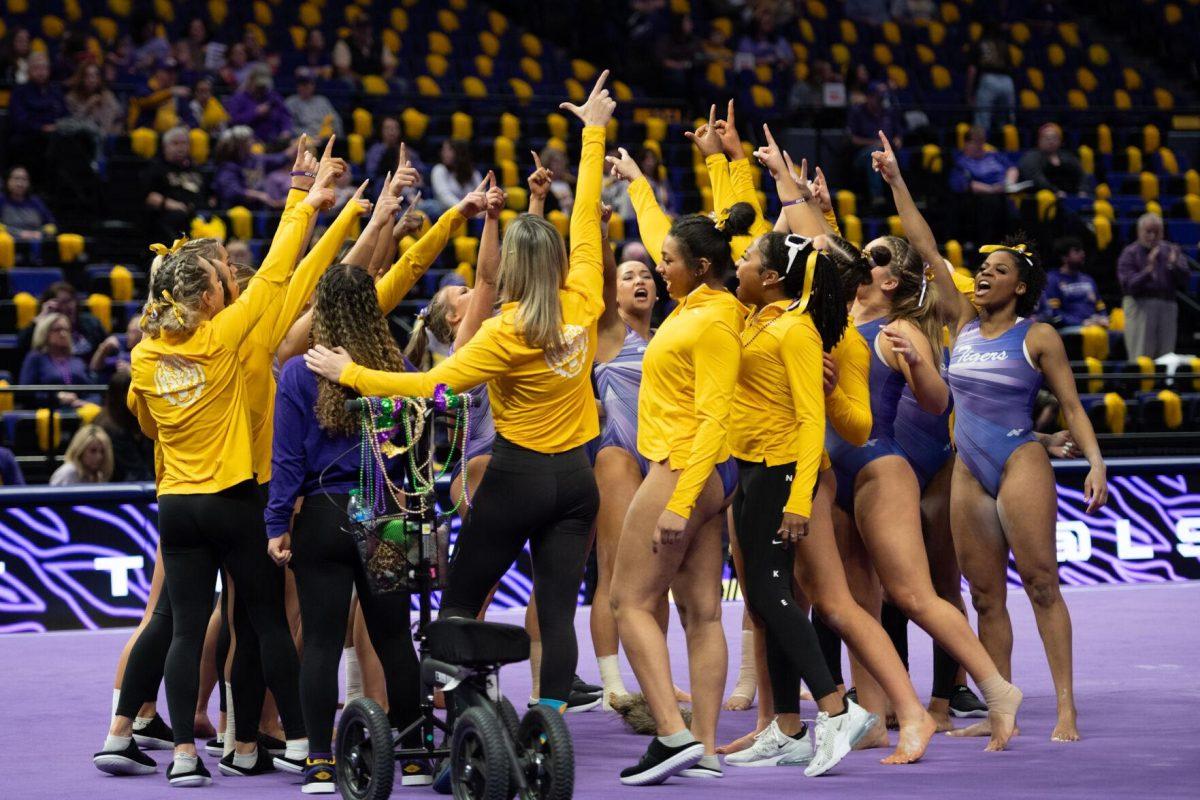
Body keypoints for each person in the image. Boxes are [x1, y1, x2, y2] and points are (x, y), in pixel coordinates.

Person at [307, 73, 616, 720]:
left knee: (456, 603)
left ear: (508, 272)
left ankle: (465, 712)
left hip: (517, 477)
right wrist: (592, 134)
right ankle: (547, 728)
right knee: (558, 614)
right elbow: (585, 215)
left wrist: (350, 371)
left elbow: (425, 387)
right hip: (576, 479)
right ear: (557, 262)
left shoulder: (505, 334)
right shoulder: (583, 300)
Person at [93, 162, 335, 787]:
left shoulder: (142, 357)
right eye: (221, 281)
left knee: (180, 626)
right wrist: (300, 198)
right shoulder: (223, 338)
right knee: (265, 620)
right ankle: (306, 746)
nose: (230, 285)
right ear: (207, 299)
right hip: (232, 499)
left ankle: (180, 754)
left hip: (176, 505)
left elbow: (145, 426)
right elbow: (280, 270)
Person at [878, 130, 1107, 743]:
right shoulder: (959, 321)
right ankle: (1000, 707)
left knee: (1039, 582)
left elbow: (1074, 407)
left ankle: (1065, 708)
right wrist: (897, 180)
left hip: (1019, 459)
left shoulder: (1039, 337)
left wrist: (1094, 462)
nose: (983, 274)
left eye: (997, 270)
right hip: (966, 469)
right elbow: (925, 246)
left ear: (1020, 287)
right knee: (982, 597)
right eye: (982, 267)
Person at [601, 112, 752, 781]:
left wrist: (677, 501)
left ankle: (671, 733)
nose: (658, 267)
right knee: (698, 612)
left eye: (666, 264)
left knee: (626, 602)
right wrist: (640, 184)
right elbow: (681, 235)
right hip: (704, 476)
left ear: (700, 268)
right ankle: (708, 750)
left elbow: (718, 418)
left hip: (685, 469)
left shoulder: (714, 321)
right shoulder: (696, 304)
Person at [266, 263, 427, 794]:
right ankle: (415, 755)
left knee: (321, 643)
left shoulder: (295, 373)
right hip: (383, 513)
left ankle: (318, 761)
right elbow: (413, 451)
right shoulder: (394, 367)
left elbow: (287, 461)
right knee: (394, 640)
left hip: (322, 515)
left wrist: (276, 523)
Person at [1117, 214, 1191, 359]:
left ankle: (1163, 382)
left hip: (1167, 304)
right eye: (1148, 232)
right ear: (1139, 232)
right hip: (1140, 305)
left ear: (1162, 233)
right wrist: (1148, 270)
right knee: (1141, 353)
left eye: (1156, 232)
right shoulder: (1129, 253)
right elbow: (1128, 285)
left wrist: (1173, 265)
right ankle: (1141, 382)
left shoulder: (1171, 250)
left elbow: (1185, 279)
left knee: (1166, 354)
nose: (1152, 236)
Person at [949, 126, 1019, 247]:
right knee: (991, 203)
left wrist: (1009, 183)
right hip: (979, 202)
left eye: (982, 141)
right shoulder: (961, 162)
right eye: (975, 142)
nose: (979, 145)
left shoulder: (993, 155)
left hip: (1003, 194)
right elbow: (966, 184)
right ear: (966, 143)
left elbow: (1012, 168)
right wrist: (991, 189)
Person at [142, 127, 211, 243]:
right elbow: (150, 197)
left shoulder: (195, 169)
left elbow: (208, 195)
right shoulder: (156, 168)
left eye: (184, 143)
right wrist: (172, 204)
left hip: (197, 214)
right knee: (178, 217)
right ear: (165, 147)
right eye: (175, 143)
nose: (181, 147)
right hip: (171, 214)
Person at [18, 312, 96, 408]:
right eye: (57, 330)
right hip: (48, 412)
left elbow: (93, 391)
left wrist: (86, 403)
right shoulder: (35, 358)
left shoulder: (77, 360)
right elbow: (25, 392)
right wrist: (55, 397)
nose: (63, 334)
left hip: (80, 411)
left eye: (66, 330)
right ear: (45, 333)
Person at [847, 82, 903, 210]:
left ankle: (903, 196)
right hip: (861, 155)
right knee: (875, 153)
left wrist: (898, 139)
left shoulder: (888, 113)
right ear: (869, 97)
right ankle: (877, 197)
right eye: (878, 98)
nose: (880, 101)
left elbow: (898, 133)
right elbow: (853, 139)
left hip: (888, 152)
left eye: (882, 98)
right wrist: (873, 143)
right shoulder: (857, 112)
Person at [96, 372, 155, 482]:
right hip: (120, 487)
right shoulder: (111, 428)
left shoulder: (140, 419)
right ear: (121, 395)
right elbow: (136, 471)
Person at [1042, 237, 1108, 329]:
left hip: (1094, 325)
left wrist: (1103, 317)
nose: (1082, 254)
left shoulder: (1088, 279)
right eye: (1077, 251)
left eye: (1082, 250)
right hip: (1069, 329)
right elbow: (1054, 313)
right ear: (1064, 257)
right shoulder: (1052, 279)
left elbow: (1100, 306)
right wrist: (1080, 322)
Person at [966, 23, 1016, 133]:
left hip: (989, 79)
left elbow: (972, 70)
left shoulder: (979, 43)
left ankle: (981, 147)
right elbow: (1012, 67)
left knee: (982, 119)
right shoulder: (1003, 45)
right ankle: (1007, 145)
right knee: (1006, 120)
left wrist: (969, 93)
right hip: (1007, 81)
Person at [225, 65, 291, 145]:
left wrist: (285, 130)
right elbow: (233, 121)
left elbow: (285, 115)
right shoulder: (238, 99)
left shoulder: (273, 96)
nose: (262, 89)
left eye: (264, 86)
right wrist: (255, 113)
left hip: (274, 142)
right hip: (249, 143)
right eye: (259, 86)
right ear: (250, 81)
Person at [1018, 123, 1086, 198]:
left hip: (1068, 195)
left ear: (1060, 141)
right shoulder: (1031, 157)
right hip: (1039, 197)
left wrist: (1082, 190)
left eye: (1054, 138)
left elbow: (1080, 174)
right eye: (1047, 138)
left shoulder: (1068, 157)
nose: (1051, 141)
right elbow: (1037, 179)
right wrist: (1055, 191)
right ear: (1039, 140)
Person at [0, 165, 56, 243]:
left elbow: (51, 225)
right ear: (7, 181)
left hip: (35, 244)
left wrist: (42, 233)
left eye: (24, 179)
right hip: (9, 246)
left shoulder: (36, 202)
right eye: (16, 179)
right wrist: (19, 233)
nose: (20, 184)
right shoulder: (2, 200)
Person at [64, 62, 123, 135]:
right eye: (88, 76)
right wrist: (87, 105)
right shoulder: (72, 97)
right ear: (81, 78)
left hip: (106, 138)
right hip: (80, 139)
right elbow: (70, 123)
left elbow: (118, 118)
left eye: (95, 76)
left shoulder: (107, 96)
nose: (92, 80)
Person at [285, 68, 343, 139]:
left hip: (326, 139)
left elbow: (336, 120)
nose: (306, 87)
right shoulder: (291, 103)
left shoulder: (322, 101)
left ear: (313, 85)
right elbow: (288, 128)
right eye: (303, 84)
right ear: (298, 85)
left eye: (309, 83)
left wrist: (333, 133)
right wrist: (312, 134)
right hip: (305, 140)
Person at [50, 424, 114, 485]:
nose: (99, 457)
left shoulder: (98, 475)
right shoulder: (68, 473)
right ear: (80, 451)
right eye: (93, 451)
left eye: (102, 451)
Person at [430, 139, 483, 213]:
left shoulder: (473, 173)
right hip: (446, 211)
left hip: (470, 211)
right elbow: (444, 196)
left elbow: (481, 194)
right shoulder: (439, 169)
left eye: (448, 150)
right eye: (443, 150)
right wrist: (464, 208)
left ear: (459, 152)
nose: (443, 153)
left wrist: (478, 210)